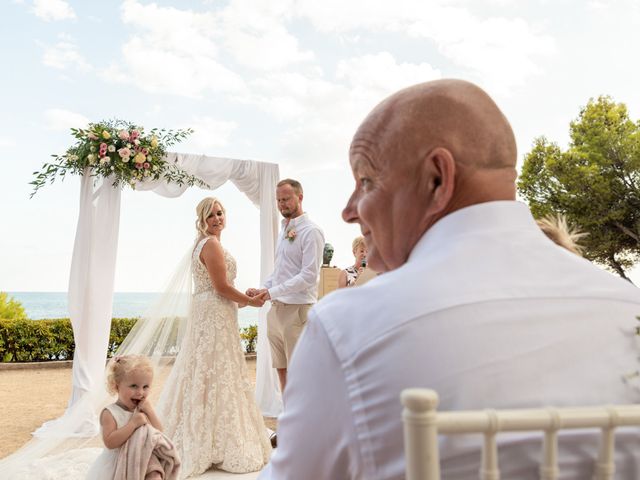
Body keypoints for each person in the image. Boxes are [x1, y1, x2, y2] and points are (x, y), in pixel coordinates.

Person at [259, 79, 640, 479]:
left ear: (437, 179)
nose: (349, 211)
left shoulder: (348, 329)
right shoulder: (629, 310)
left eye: (366, 181)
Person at [157, 197, 271, 478]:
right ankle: (209, 443)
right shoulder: (211, 244)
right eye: (211, 216)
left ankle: (211, 438)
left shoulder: (205, 244)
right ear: (203, 220)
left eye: (220, 213)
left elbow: (220, 289)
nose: (217, 219)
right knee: (217, 370)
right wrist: (251, 301)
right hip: (214, 315)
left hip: (213, 311)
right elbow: (221, 287)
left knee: (207, 371)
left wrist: (245, 297)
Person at [247, 178, 324, 394]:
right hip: (276, 312)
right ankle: (289, 423)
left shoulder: (312, 231)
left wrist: (271, 292)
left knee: (301, 375)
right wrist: (264, 288)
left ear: (300, 197)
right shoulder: (284, 230)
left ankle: (306, 425)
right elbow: (281, 271)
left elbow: (308, 275)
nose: (282, 204)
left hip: (297, 312)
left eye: (286, 199)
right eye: (279, 200)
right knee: (282, 372)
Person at [87, 354, 180, 480]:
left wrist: (150, 411)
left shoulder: (143, 409)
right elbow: (110, 442)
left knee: (156, 474)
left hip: (143, 456)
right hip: (119, 461)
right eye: (134, 386)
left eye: (145, 387)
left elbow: (159, 433)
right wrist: (133, 424)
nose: (140, 392)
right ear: (116, 386)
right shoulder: (110, 413)